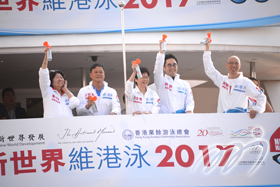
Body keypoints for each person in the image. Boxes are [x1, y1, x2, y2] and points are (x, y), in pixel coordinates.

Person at [203, 36, 266, 119]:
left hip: (239, 121)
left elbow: (261, 96)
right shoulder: (222, 80)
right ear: (226, 65)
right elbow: (209, 69)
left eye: (236, 63)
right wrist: (207, 49)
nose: (233, 65)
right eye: (231, 63)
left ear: (239, 66)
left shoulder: (245, 82)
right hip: (222, 120)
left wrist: (257, 109)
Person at [153, 40, 194, 114]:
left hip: (181, 120)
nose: (172, 67)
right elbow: (157, 71)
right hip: (165, 120)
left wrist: (189, 112)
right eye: (169, 65)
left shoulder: (185, 84)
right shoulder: (161, 81)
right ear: (164, 68)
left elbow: (189, 102)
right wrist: (161, 53)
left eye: (174, 64)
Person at [39, 47, 80, 118]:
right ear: (51, 81)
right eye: (57, 77)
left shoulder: (66, 94)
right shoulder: (48, 91)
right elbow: (43, 75)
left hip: (67, 127)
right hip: (52, 126)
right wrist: (46, 56)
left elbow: (75, 103)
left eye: (61, 77)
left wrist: (66, 90)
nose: (60, 79)